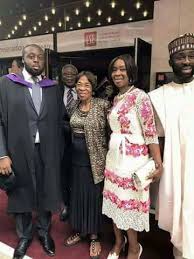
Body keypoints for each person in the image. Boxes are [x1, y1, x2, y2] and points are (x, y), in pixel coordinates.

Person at [0, 44, 67, 259]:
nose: (36, 60)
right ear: (22, 60)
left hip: (47, 151)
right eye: (31, 56)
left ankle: (44, 232)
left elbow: (59, 121)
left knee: (46, 190)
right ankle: (25, 235)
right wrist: (2, 154)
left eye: (39, 57)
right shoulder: (7, 84)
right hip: (18, 151)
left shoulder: (53, 87)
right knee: (21, 192)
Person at [102, 54, 163, 259]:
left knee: (129, 205)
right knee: (115, 203)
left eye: (122, 69)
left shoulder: (140, 97)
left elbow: (150, 132)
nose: (117, 73)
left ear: (131, 72)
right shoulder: (116, 97)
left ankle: (134, 247)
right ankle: (119, 242)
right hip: (114, 160)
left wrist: (158, 163)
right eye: (114, 69)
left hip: (133, 162)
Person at [149, 33, 194, 259]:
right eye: (180, 57)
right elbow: (153, 136)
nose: (186, 61)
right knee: (179, 212)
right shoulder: (158, 96)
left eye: (191, 56)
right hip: (176, 167)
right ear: (170, 63)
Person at [64, 71, 110, 259]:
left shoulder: (103, 105)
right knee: (77, 196)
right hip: (75, 160)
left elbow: (110, 132)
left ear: (93, 87)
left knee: (93, 198)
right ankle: (80, 230)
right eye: (79, 84)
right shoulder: (73, 105)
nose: (82, 88)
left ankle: (94, 236)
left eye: (86, 85)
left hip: (95, 161)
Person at [59, 63, 78, 222]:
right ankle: (66, 205)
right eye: (66, 74)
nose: (70, 77)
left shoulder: (84, 89)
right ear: (61, 76)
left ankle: (78, 206)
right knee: (63, 177)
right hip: (62, 145)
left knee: (79, 178)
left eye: (73, 74)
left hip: (81, 145)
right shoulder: (53, 92)